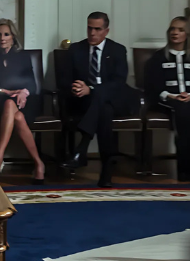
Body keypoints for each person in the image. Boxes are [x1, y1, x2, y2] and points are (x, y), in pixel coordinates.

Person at [59, 11, 140, 187]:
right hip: (87, 103)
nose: (92, 33)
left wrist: (93, 89)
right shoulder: (76, 49)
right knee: (104, 110)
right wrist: (76, 87)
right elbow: (65, 79)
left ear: (106, 31)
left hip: (117, 100)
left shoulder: (117, 50)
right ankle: (106, 172)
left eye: (97, 29)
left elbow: (118, 82)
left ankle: (82, 149)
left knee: (103, 101)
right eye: (89, 28)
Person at [0, 19, 44, 183]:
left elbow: (31, 83)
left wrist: (23, 92)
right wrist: (5, 91)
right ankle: (38, 164)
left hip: (26, 101)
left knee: (16, 110)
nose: (2, 38)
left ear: (13, 37)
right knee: (13, 109)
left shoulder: (23, 56)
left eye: (6, 34)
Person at [145, 16, 190, 182]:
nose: (175, 33)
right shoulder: (158, 58)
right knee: (184, 110)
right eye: (172, 29)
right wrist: (172, 96)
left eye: (180, 29)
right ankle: (185, 171)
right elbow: (152, 86)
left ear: (187, 34)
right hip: (167, 100)